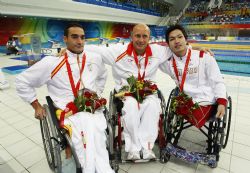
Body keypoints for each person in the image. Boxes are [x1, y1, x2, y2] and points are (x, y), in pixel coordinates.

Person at [16, 23, 114, 173]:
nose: (79, 41)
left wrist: (97, 93)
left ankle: (97, 167)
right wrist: (36, 106)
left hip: (92, 108)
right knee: (88, 128)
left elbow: (102, 75)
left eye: (82, 37)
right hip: (67, 111)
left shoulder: (94, 58)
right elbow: (22, 81)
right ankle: (93, 168)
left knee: (96, 131)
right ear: (65, 39)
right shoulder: (52, 62)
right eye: (74, 37)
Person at [85, 24, 172, 160]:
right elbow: (95, 49)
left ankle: (147, 147)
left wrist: (198, 49)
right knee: (131, 106)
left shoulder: (158, 51)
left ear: (149, 38)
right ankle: (133, 148)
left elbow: (178, 48)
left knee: (153, 106)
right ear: (131, 36)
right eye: (137, 36)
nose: (141, 40)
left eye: (144, 36)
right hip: (126, 93)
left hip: (148, 91)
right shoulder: (118, 51)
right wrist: (68, 50)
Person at [160, 24, 227, 128]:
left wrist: (222, 101)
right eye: (172, 39)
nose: (177, 41)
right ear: (168, 44)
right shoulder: (168, 63)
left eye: (180, 37)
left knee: (197, 116)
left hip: (205, 99)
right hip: (185, 99)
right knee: (177, 108)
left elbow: (217, 80)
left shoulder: (204, 56)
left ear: (186, 39)